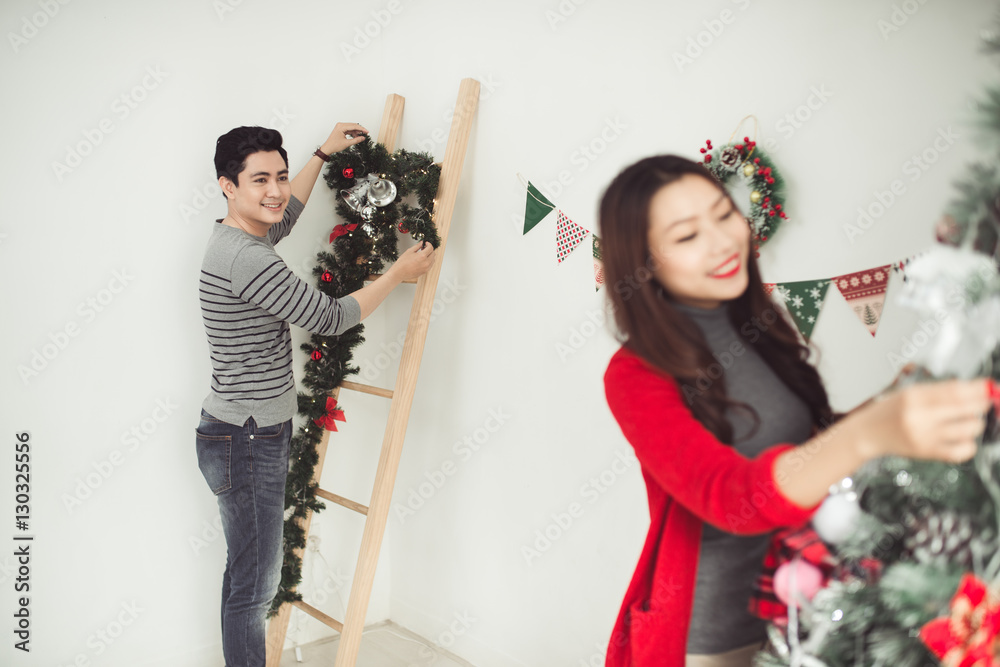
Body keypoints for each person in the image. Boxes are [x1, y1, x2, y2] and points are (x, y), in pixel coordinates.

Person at [599, 154, 992, 667]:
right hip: (714, 636)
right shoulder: (635, 374)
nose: (722, 241)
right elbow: (731, 497)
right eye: (687, 236)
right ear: (643, 262)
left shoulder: (755, 323)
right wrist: (871, 431)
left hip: (809, 602)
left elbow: (810, 450)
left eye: (723, 214)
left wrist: (890, 402)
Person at [195, 123, 435, 667]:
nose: (275, 191)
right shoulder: (248, 259)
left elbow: (287, 213)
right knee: (254, 588)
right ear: (227, 186)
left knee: (246, 574)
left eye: (280, 176)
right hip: (247, 437)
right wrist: (398, 272)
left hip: (238, 430)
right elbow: (328, 318)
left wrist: (322, 153)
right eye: (260, 180)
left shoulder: (239, 237)